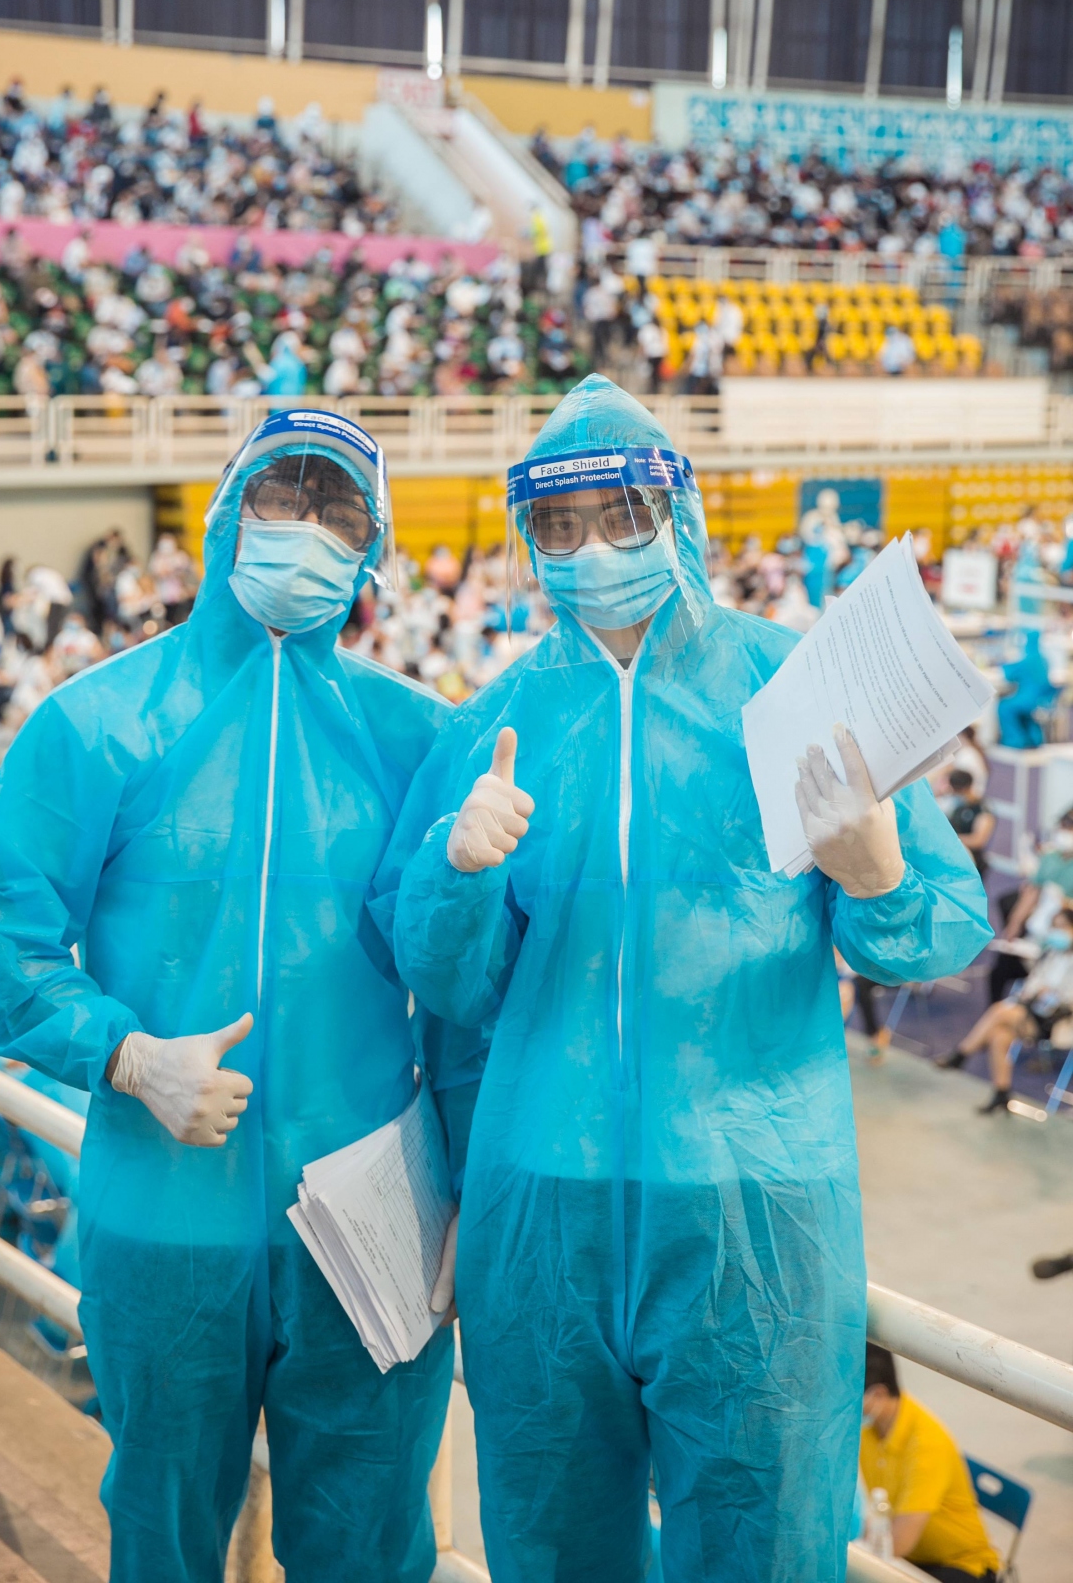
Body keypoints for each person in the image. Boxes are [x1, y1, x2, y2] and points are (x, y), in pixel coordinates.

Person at [373, 374, 990, 1583]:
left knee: (758, 1546)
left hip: (755, 1210)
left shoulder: (795, 693)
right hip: (536, 1211)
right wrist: (456, 874)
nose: (593, 548)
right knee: (551, 1541)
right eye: (559, 524)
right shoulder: (493, 722)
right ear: (526, 538)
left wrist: (876, 879)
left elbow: (944, 923)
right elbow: (447, 987)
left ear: (679, 513)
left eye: (620, 513)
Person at [0, 408, 455, 1583]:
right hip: (165, 1211)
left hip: (370, 1217)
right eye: (284, 499)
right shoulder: (98, 722)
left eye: (340, 514)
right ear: (227, 513)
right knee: (165, 1533)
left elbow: (468, 979)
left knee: (371, 1538)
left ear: (374, 549)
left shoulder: (416, 740)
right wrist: (124, 1055)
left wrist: (466, 1179)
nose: (309, 533)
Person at [860, 1345, 998, 1582]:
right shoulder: (869, 1429)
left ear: (879, 1394)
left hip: (959, 1565)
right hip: (909, 1556)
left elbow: (898, 1543)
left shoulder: (926, 1443)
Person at [936, 907, 1073, 1112]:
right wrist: (1036, 991)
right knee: (1000, 1035)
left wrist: (1049, 993)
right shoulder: (1052, 953)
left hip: (1058, 1020)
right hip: (1032, 1010)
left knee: (998, 1012)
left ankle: (961, 1054)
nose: (1058, 931)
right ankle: (1001, 1093)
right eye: (1056, 926)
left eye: (1063, 927)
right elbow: (1033, 982)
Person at [986, 806, 1073, 1003]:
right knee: (1000, 970)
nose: (1066, 831)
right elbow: (1031, 893)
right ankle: (995, 1011)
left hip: (1064, 938)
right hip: (1039, 930)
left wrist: (1065, 902)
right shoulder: (1051, 858)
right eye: (1064, 825)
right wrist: (1014, 925)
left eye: (1071, 827)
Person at [943, 771, 995, 879]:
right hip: (952, 856)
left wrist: (951, 838)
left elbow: (978, 840)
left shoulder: (983, 809)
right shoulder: (956, 805)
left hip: (971, 861)